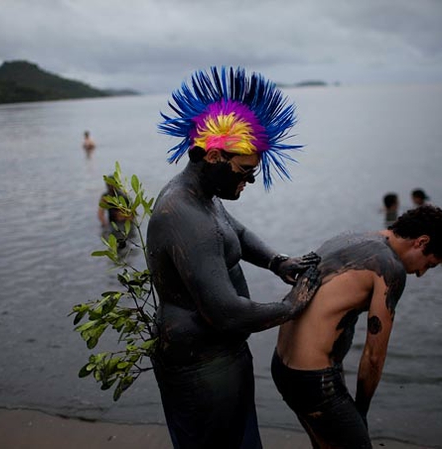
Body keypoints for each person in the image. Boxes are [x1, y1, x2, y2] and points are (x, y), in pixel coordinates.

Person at [147, 67, 321, 449]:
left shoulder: (203, 199)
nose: (251, 180)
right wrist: (292, 306)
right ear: (212, 156)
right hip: (200, 367)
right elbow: (223, 312)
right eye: (244, 170)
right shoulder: (182, 214)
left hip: (221, 358)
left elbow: (236, 233)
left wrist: (279, 263)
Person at [272, 205, 442, 449]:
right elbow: (373, 357)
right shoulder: (389, 269)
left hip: (283, 368)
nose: (421, 273)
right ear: (421, 242)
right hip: (314, 381)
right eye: (429, 264)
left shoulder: (350, 238)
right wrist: (360, 412)